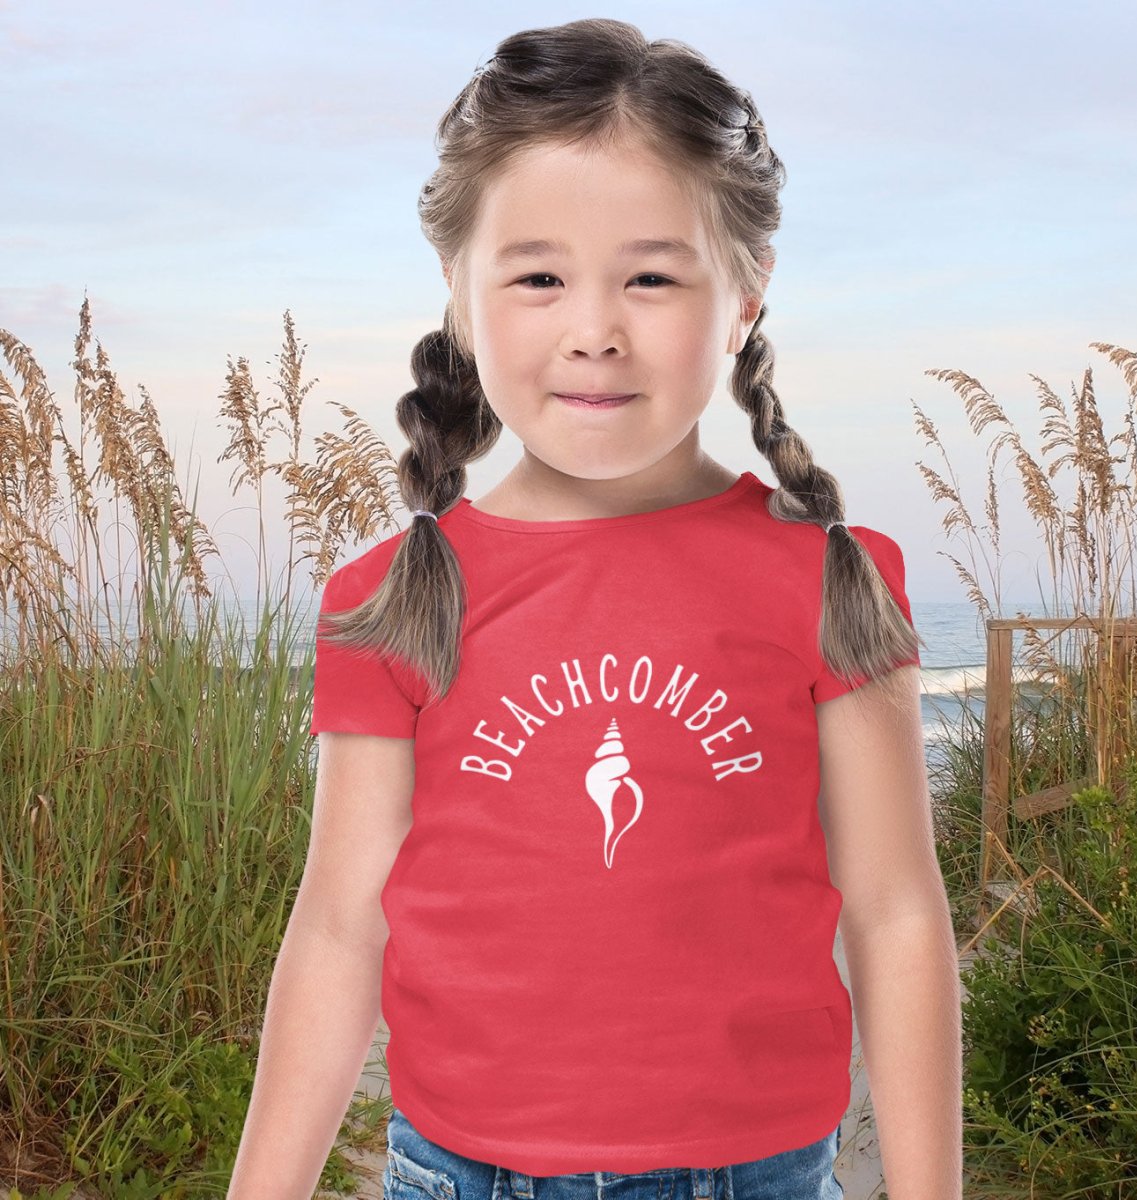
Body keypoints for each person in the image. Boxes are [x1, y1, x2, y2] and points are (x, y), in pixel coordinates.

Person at [227, 17, 963, 1200]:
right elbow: (337, 931)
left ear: (747, 292)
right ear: (461, 293)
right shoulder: (397, 596)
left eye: (652, 276)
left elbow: (895, 916)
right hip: (456, 1177)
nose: (596, 329)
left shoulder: (830, 576)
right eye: (539, 277)